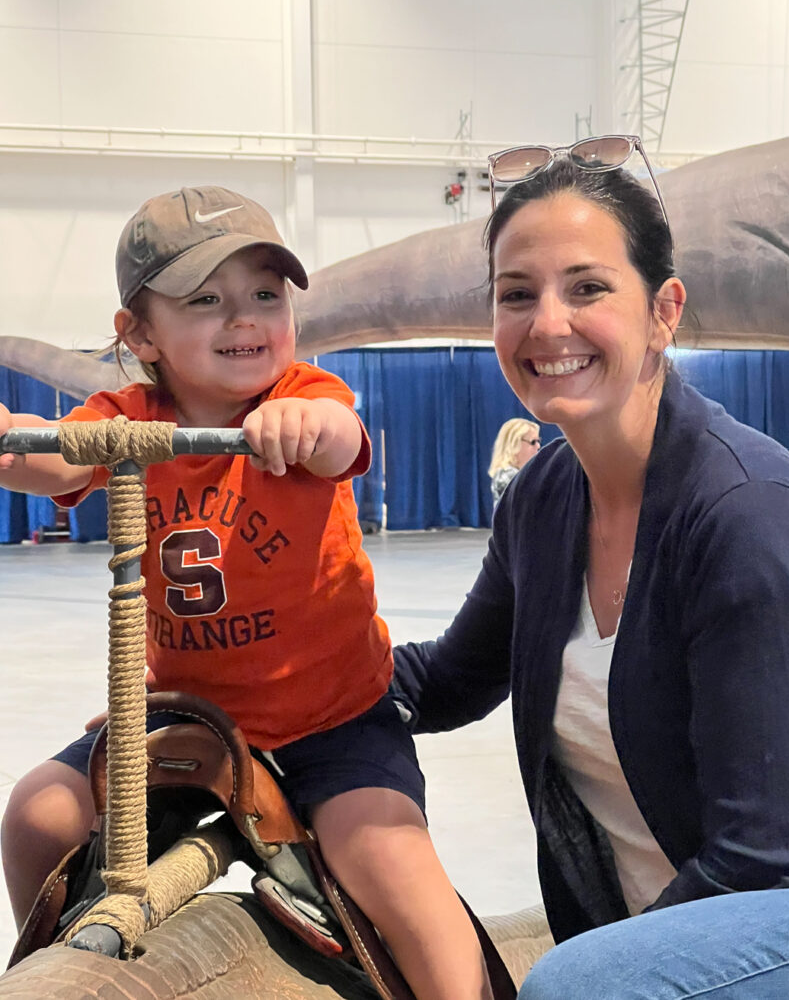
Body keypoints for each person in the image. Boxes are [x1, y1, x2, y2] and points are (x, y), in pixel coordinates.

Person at [0, 186, 493, 1000]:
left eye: (265, 293)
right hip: (188, 712)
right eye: (207, 300)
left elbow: (339, 442)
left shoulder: (306, 394)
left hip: (330, 717)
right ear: (139, 333)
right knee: (35, 814)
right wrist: (11, 438)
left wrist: (303, 425)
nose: (245, 318)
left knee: (397, 868)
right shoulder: (126, 415)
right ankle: (60, 972)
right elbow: (57, 456)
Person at [391, 139, 789, 995]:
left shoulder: (744, 512)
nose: (547, 324)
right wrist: (244, 689)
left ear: (663, 311)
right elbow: (444, 681)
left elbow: (763, 856)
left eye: (587, 288)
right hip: (676, 917)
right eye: (516, 295)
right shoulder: (543, 499)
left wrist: (611, 963)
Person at [488, 417, 541, 505]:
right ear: (514, 444)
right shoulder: (505, 475)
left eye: (538, 441)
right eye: (533, 442)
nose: (538, 446)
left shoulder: (524, 474)